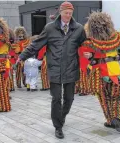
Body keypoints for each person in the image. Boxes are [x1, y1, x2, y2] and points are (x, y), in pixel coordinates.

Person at [17, 1, 86, 139]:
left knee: (69, 98)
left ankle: (62, 116)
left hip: (71, 69)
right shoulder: (49, 28)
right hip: (54, 69)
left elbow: (85, 45)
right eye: (66, 13)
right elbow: (35, 44)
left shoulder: (78, 28)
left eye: (70, 13)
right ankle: (58, 127)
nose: (68, 16)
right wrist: (22, 56)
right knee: (56, 98)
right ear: (60, 12)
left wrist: (90, 54)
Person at [81, 11, 120, 132]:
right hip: (114, 71)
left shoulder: (89, 42)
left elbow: (86, 55)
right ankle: (117, 118)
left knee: (104, 97)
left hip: (99, 73)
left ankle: (110, 120)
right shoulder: (117, 38)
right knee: (117, 96)